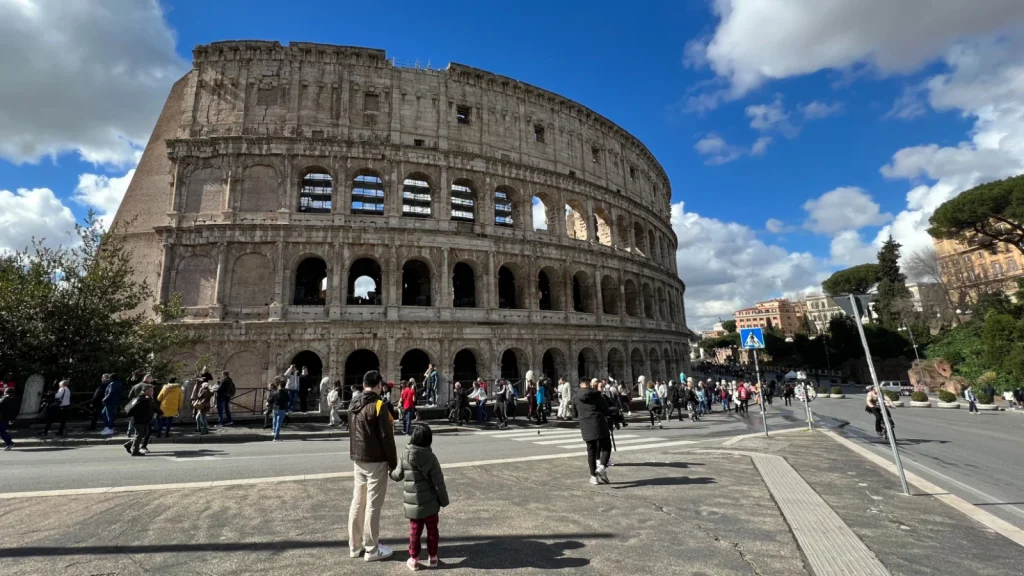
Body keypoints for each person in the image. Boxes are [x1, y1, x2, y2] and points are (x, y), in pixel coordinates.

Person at [348, 370, 399, 562]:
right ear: (378, 386)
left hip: (358, 459)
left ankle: (354, 546)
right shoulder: (379, 405)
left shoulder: (353, 403)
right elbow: (387, 437)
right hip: (376, 460)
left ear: (363, 386)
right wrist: (393, 463)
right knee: (373, 505)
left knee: (357, 502)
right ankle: (372, 549)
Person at [389, 424, 449, 571]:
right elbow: (439, 482)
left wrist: (390, 472)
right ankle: (433, 557)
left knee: (415, 532)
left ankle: (414, 559)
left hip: (413, 505)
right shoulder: (431, 457)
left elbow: (397, 475)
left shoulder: (405, 455)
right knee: (433, 531)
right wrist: (444, 500)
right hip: (430, 504)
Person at [573, 379, 613, 485]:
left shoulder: (576, 396)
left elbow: (574, 413)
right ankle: (602, 467)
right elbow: (605, 409)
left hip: (586, 426)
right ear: (589, 384)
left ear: (580, 385)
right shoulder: (597, 395)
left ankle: (593, 477)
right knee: (606, 446)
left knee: (591, 451)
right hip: (599, 424)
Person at [124, 383, 156, 456]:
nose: (152, 392)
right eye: (151, 390)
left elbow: (152, 408)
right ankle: (135, 451)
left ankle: (129, 444)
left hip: (144, 419)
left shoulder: (148, 398)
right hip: (138, 420)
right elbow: (132, 408)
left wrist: (159, 412)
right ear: (146, 391)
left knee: (145, 433)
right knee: (139, 434)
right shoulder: (141, 398)